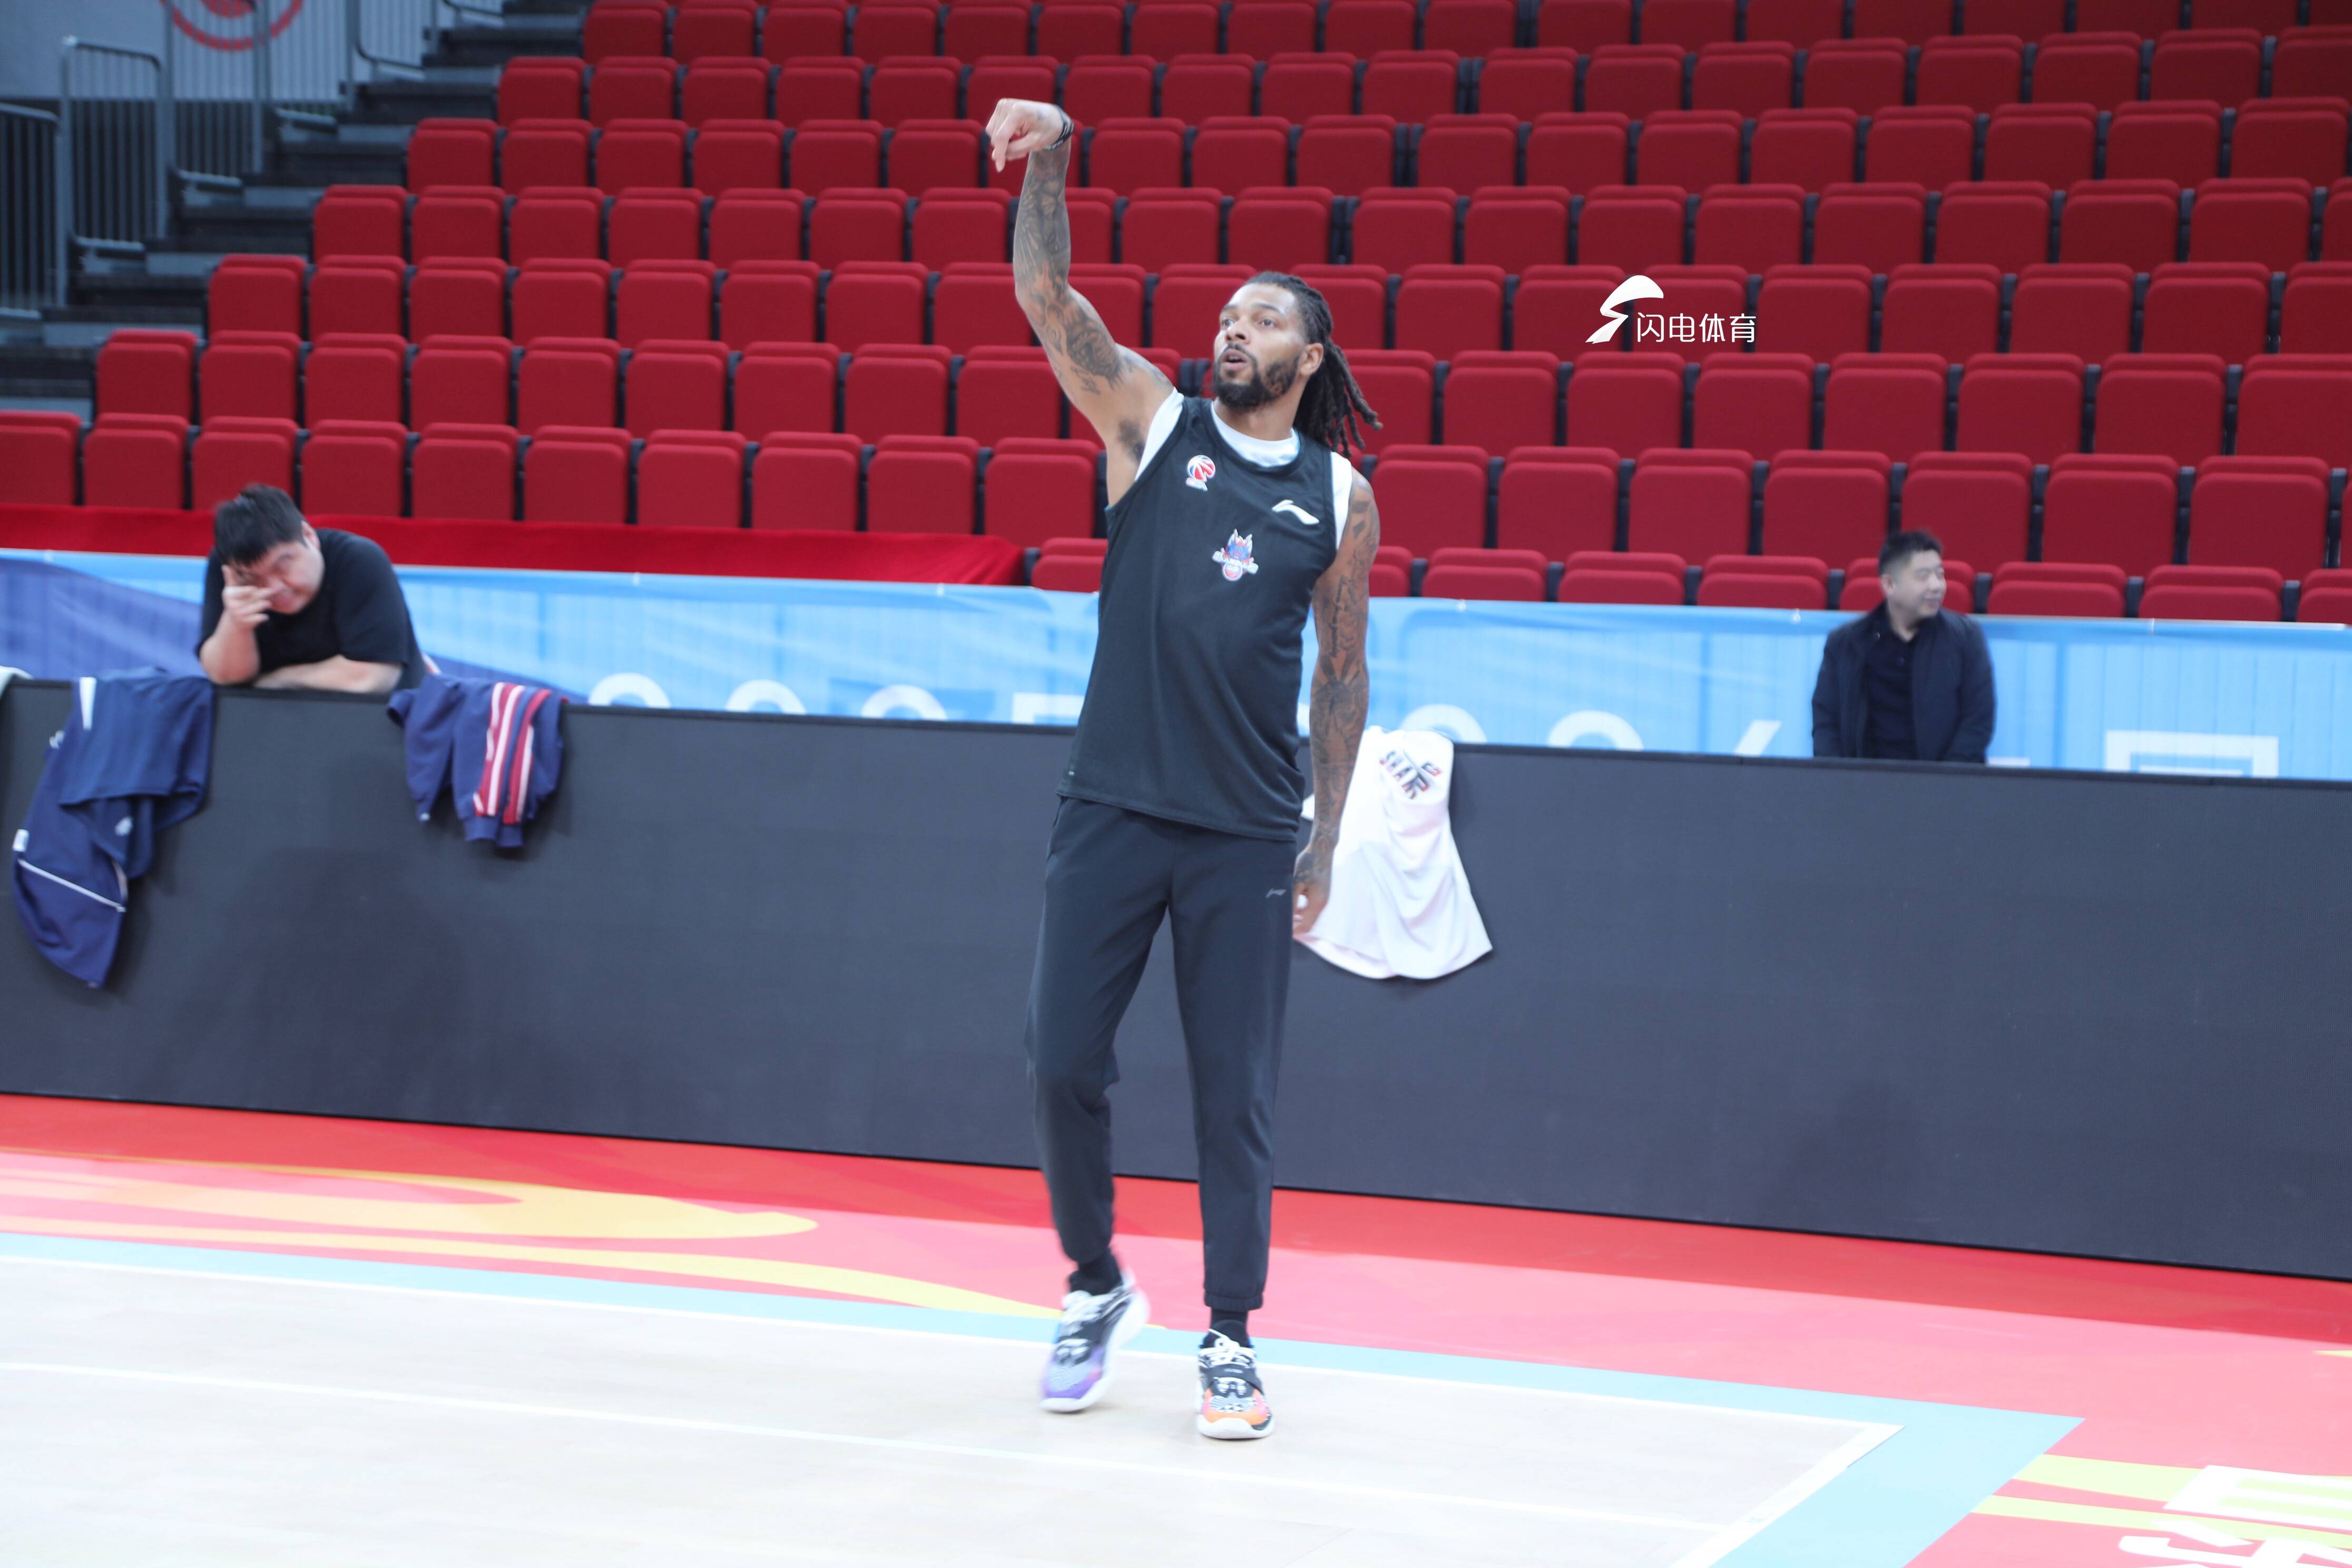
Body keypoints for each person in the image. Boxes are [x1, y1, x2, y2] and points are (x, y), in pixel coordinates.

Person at [987, 96, 1382, 1441]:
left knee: (1235, 1097)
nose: (1233, 329)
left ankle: (1230, 1337)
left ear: (1308, 355)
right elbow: (1046, 300)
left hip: (1242, 831)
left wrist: (1323, 838)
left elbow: (1341, 676)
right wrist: (1052, 156)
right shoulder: (1153, 426)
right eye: (1227, 314)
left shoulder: (1338, 496)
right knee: (1058, 1058)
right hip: (1111, 804)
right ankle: (1096, 1282)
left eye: (1262, 319)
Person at [195, 485, 424, 694]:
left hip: (382, 718)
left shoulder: (359, 560)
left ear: (309, 536)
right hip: (266, 720)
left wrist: (278, 680)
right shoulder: (231, 568)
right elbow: (226, 678)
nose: (274, 588)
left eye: (283, 566)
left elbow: (372, 678)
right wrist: (236, 624)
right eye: (254, 578)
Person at [1812, 530, 1994, 763]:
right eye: (1923, 576)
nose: (1936, 586)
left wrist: (1944, 779)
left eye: (1940, 575)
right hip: (1863, 780)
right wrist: (1840, 776)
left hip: (1945, 780)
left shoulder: (1966, 638)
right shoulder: (1846, 643)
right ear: (1890, 584)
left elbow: (1978, 721)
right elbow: (1826, 721)